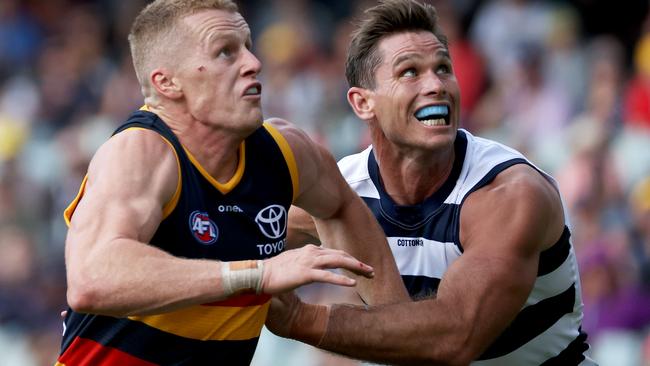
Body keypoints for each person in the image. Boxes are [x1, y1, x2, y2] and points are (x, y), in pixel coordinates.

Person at [55, 1, 407, 365]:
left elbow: (342, 209)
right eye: (225, 52)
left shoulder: (286, 153)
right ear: (167, 82)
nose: (253, 64)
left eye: (247, 47)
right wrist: (259, 273)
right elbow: (92, 279)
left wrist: (401, 334)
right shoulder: (141, 151)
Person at [270, 0, 596, 365]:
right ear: (363, 103)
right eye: (410, 72)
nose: (436, 84)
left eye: (443, 68)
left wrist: (301, 318)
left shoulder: (510, 193)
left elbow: (456, 337)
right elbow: (229, 241)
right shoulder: (342, 191)